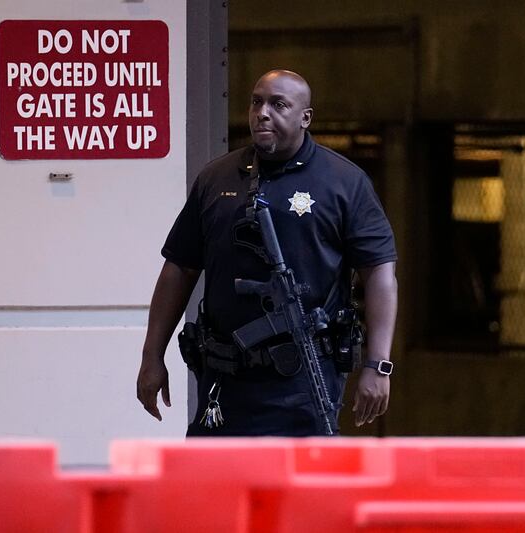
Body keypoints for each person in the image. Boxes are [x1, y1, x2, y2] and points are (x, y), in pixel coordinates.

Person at [136, 69, 398, 436]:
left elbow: (379, 273)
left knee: (301, 486)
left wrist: (378, 364)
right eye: (257, 101)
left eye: (279, 104)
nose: (262, 112)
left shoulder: (343, 182)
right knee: (213, 485)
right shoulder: (217, 178)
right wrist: (152, 356)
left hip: (304, 377)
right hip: (224, 378)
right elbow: (179, 267)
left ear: (305, 118)